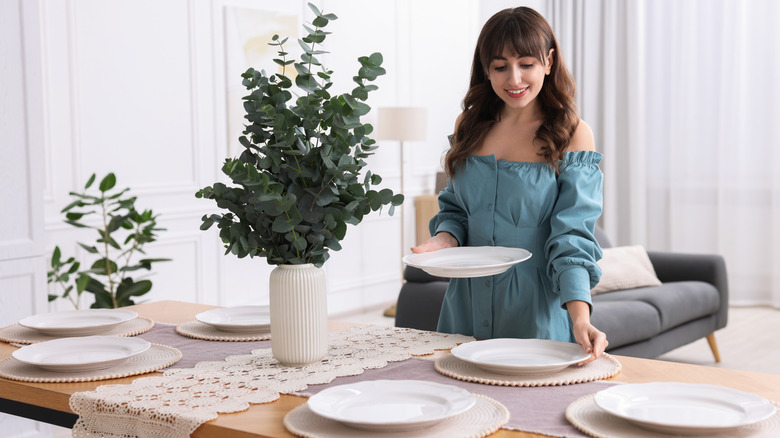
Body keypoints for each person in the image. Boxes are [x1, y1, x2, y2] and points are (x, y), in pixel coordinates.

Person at [411, 6, 607, 364]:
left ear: (548, 61)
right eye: (500, 67)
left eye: (526, 64)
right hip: (465, 305)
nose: (514, 79)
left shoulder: (574, 133)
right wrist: (444, 239)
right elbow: (456, 209)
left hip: (535, 311)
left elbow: (574, 237)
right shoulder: (469, 125)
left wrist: (581, 318)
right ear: (486, 69)